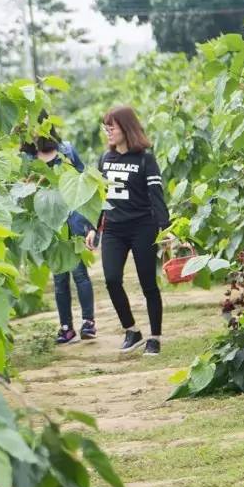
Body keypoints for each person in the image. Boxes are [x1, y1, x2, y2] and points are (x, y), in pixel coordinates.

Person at [84, 105, 169, 355]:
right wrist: (92, 228)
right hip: (113, 229)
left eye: (113, 127)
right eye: (106, 127)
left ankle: (154, 337)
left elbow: (157, 196)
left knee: (148, 284)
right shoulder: (104, 159)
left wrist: (166, 230)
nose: (108, 131)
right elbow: (98, 197)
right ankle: (132, 330)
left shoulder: (145, 159)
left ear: (126, 128)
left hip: (143, 227)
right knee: (111, 280)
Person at [21, 132, 97, 344]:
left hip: (72, 219)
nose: (30, 130)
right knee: (59, 279)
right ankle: (66, 328)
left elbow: (85, 185)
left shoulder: (66, 150)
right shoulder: (27, 159)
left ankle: (88, 323)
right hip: (49, 223)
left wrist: (90, 225)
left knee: (80, 273)